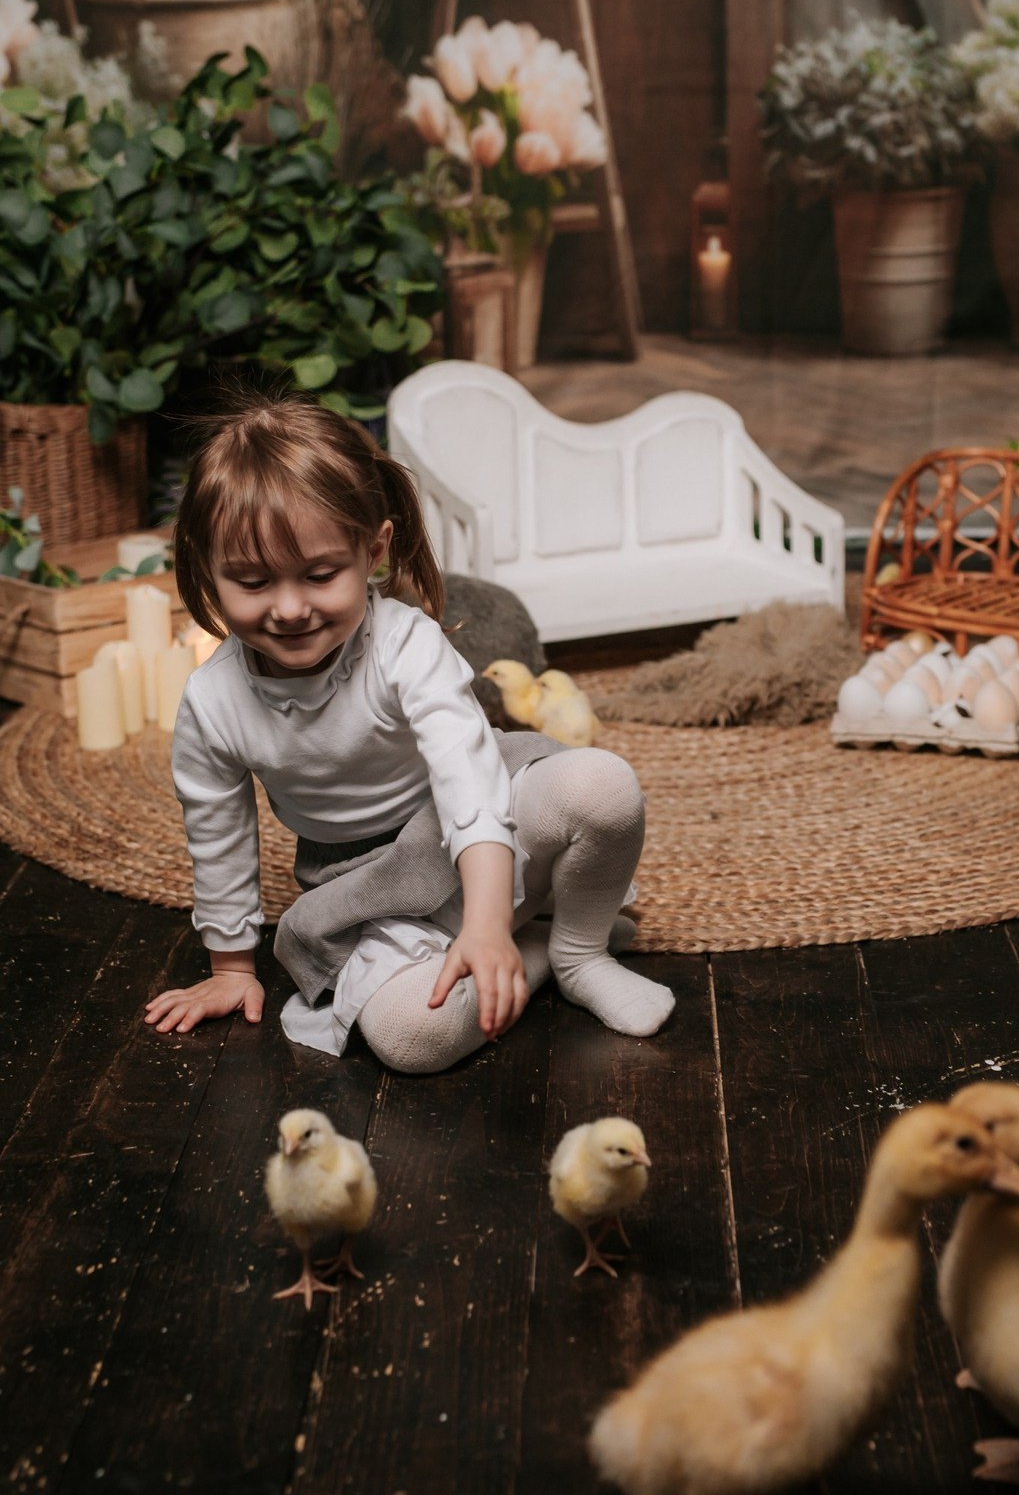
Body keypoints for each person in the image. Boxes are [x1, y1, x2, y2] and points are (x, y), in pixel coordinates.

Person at [143, 392, 673, 1071]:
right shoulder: (213, 702)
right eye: (251, 581)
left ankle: (579, 952)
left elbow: (468, 779)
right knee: (409, 1040)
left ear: (374, 552)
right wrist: (231, 968)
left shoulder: (404, 644)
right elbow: (218, 836)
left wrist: (483, 920)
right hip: (368, 886)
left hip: (477, 834)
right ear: (207, 566)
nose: (289, 608)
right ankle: (533, 948)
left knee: (603, 786)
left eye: (321, 574)